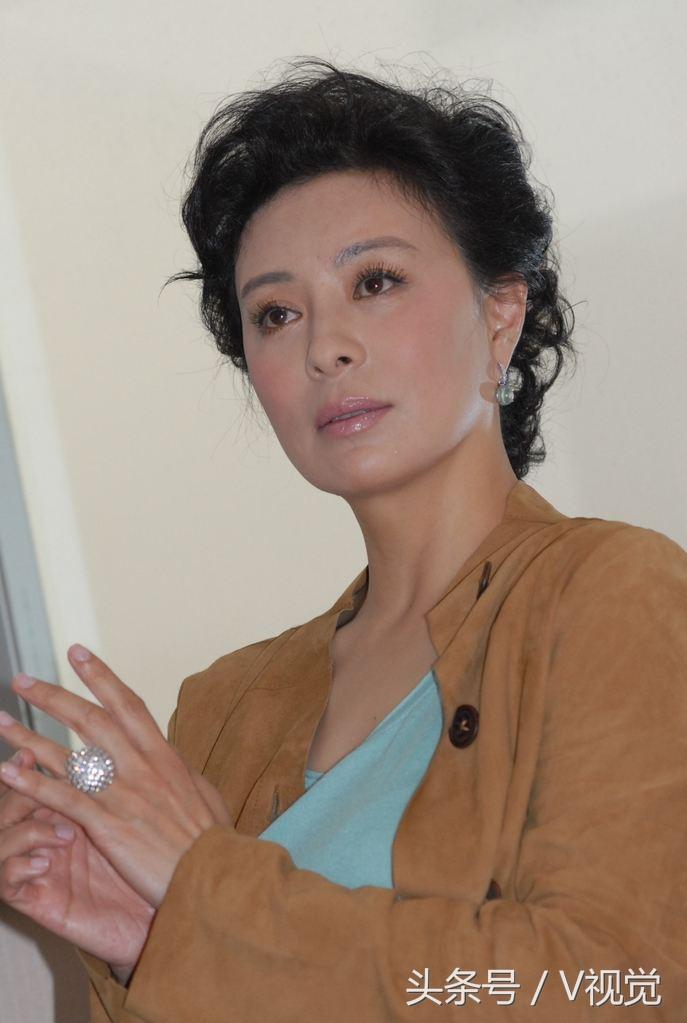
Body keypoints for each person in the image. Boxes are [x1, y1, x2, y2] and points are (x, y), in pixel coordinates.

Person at [0, 57, 686, 1022]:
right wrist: (150, 944)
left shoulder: (610, 592)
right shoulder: (224, 703)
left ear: (501, 313)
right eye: (276, 313)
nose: (324, 345)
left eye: (375, 281)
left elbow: (621, 982)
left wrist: (210, 890)